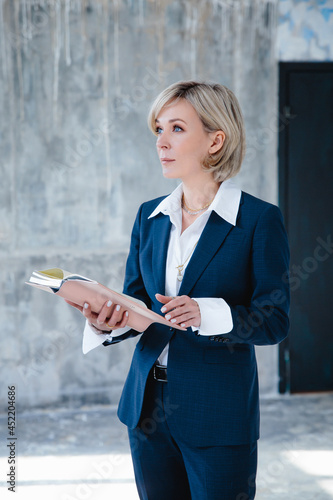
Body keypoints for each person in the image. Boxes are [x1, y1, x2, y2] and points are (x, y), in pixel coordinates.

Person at [67, 81, 290, 500]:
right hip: (146, 406)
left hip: (217, 414)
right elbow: (138, 302)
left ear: (215, 140)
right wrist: (105, 322)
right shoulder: (149, 217)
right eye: (158, 129)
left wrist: (207, 314)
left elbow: (275, 321)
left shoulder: (260, 220)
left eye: (176, 129)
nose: (161, 141)